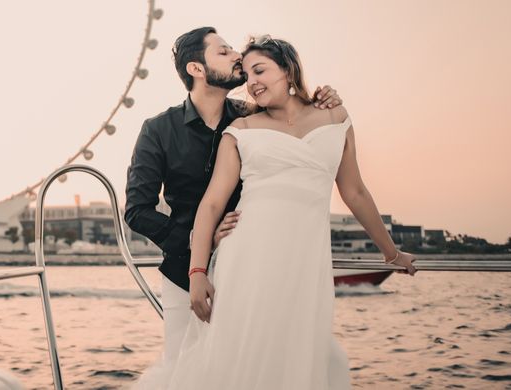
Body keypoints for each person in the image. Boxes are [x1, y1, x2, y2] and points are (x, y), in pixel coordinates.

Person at [162, 35, 417, 389]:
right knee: (242, 356)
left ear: (289, 70)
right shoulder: (242, 129)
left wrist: (391, 253)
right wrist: (198, 273)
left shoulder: (336, 117)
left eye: (260, 70)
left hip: (305, 264)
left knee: (295, 359)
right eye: (246, 75)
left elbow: (355, 192)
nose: (252, 83)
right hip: (246, 260)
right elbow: (212, 204)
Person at [124, 27, 342, 372]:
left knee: (259, 366)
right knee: (185, 367)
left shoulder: (254, 118)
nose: (237, 57)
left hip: (256, 268)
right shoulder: (158, 129)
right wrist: (200, 242)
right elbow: (137, 211)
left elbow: (298, 118)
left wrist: (322, 97)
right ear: (196, 69)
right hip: (185, 273)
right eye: (223, 52)